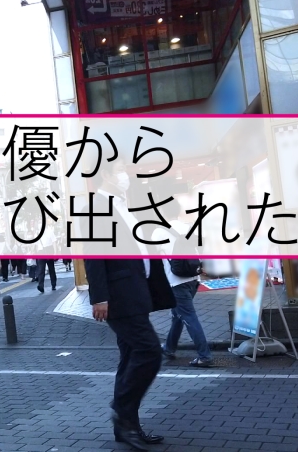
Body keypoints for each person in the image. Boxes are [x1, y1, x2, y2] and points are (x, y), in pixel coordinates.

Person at [83, 157, 163, 450]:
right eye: (120, 171)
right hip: (119, 296)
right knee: (149, 351)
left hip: (135, 291)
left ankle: (128, 426)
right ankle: (121, 411)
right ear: (105, 174)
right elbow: (93, 254)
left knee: (130, 356)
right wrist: (99, 297)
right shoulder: (97, 206)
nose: (125, 175)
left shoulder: (123, 205)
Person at [153, 202, 212, 368]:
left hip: (176, 281)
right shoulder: (188, 227)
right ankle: (169, 348)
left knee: (188, 316)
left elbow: (153, 258)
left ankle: (205, 356)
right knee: (177, 314)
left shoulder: (159, 232)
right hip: (194, 279)